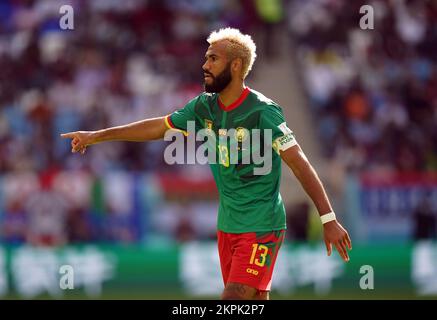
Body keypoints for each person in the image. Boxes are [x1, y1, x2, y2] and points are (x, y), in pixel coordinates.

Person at [61, 27, 352, 300]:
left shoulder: (263, 112)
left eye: (213, 59)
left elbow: (299, 164)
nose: (205, 65)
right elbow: (158, 127)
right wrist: (96, 136)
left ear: (236, 66)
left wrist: (328, 219)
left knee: (234, 298)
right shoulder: (204, 106)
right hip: (228, 226)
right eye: (205, 58)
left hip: (262, 225)